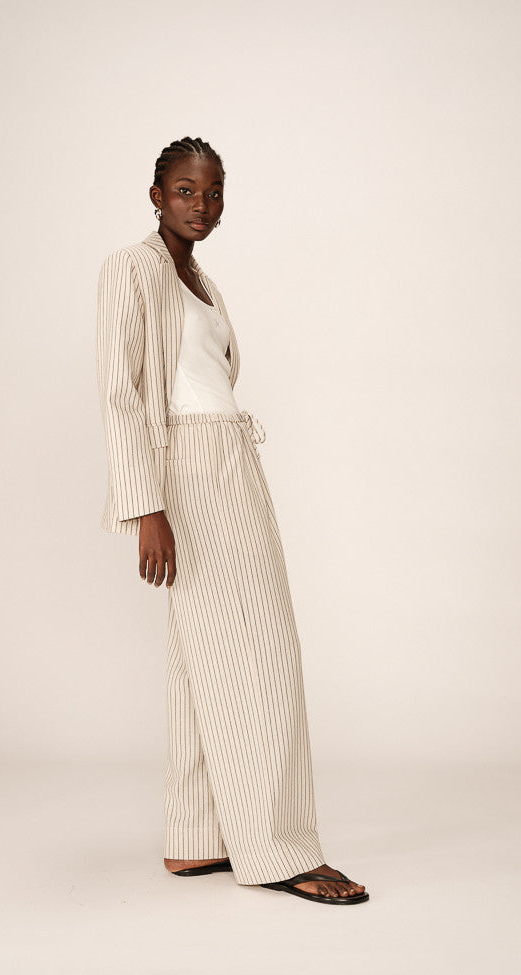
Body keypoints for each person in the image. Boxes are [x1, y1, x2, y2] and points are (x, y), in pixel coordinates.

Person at [96, 136, 368, 905]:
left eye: (213, 192)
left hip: (231, 459)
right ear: (157, 195)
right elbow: (119, 391)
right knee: (261, 651)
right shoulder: (131, 269)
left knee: (206, 654)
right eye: (186, 190)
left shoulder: (204, 282)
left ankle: (197, 837)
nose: (202, 205)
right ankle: (279, 848)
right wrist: (146, 505)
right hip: (187, 468)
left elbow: (213, 378)